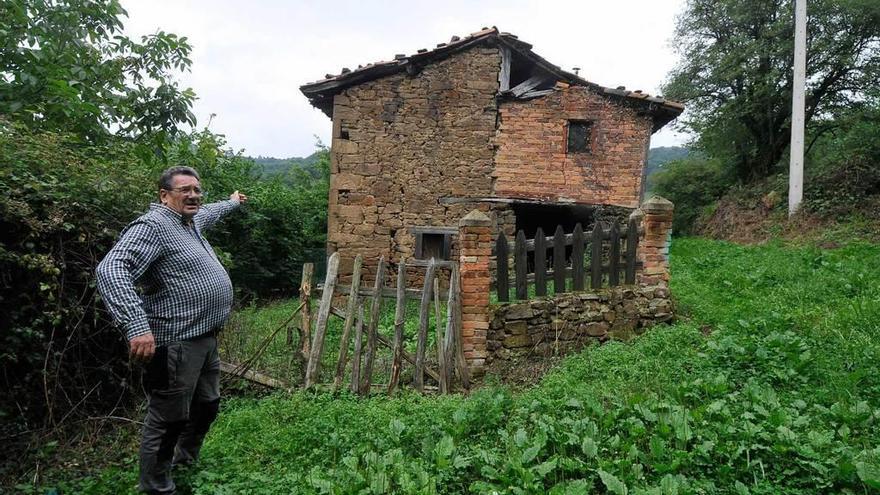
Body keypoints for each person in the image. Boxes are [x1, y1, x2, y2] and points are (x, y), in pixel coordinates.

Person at [96, 166, 247, 494]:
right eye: (184, 190)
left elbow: (209, 211)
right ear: (164, 196)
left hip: (205, 338)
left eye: (196, 189)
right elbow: (111, 268)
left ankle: (185, 462)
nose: (193, 195)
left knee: (207, 404)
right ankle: (156, 486)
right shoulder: (155, 225)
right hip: (175, 342)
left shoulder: (189, 221)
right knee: (169, 420)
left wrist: (233, 202)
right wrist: (136, 326)